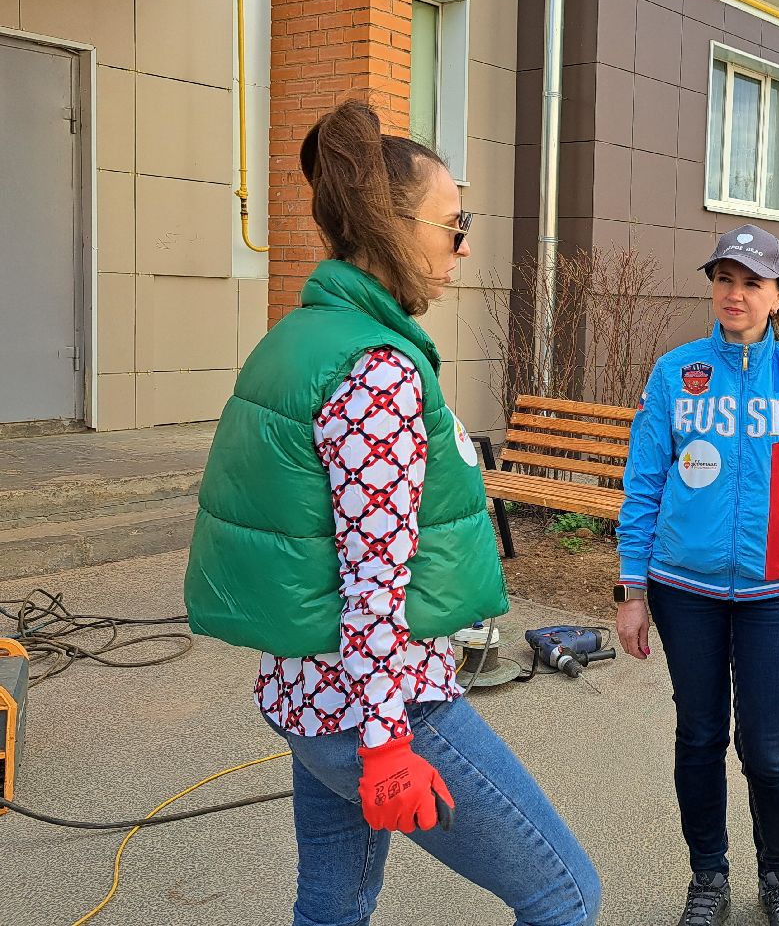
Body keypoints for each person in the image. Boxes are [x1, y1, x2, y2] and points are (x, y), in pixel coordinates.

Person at [185, 101, 600, 926]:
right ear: (392, 226)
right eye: (454, 225)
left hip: (307, 695)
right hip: (384, 708)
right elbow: (376, 577)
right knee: (565, 894)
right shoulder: (377, 371)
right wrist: (385, 746)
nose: (464, 245)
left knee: (332, 909)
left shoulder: (299, 338)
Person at [615, 224, 779, 926]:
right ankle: (707, 877)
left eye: (752, 282)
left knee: (770, 750)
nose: (735, 293)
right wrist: (632, 590)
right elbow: (644, 483)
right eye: (724, 279)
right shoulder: (675, 372)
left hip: (777, 593)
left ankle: (778, 876)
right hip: (685, 591)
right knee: (699, 737)